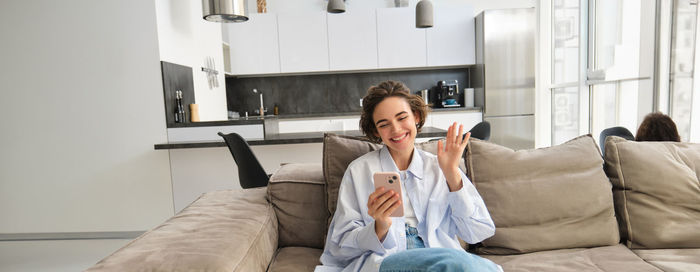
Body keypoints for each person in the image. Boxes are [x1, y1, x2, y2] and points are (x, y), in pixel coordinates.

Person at [316, 81, 500, 272]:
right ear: (375, 131)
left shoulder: (441, 166)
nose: (396, 129)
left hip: (439, 255)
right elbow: (339, 247)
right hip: (389, 259)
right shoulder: (359, 171)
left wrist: (452, 174)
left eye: (402, 118)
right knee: (458, 264)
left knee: (455, 262)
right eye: (384, 124)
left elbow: (478, 232)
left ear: (416, 117)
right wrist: (379, 227)